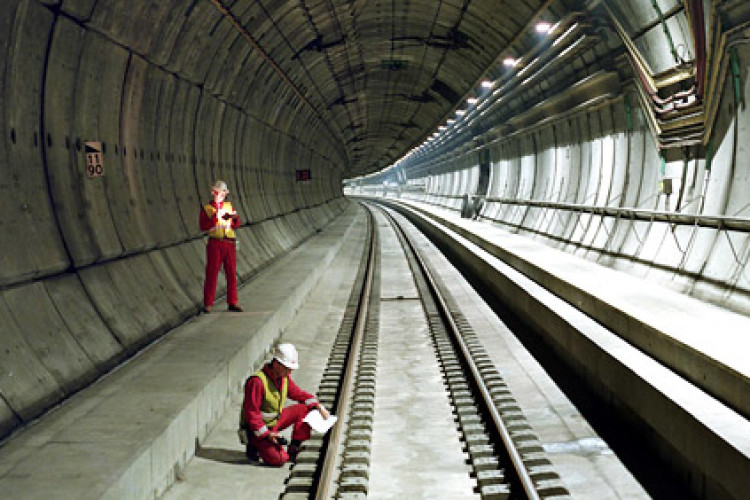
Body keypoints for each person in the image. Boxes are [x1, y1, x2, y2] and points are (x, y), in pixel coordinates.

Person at [239, 343, 330, 466]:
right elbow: (252, 415)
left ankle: (294, 448)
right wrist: (267, 435)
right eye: (287, 368)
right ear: (276, 364)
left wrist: (318, 406)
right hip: (259, 430)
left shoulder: (283, 378)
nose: (290, 372)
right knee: (280, 459)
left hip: (274, 423)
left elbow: (298, 394)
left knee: (305, 409)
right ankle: (254, 445)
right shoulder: (257, 382)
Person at [199, 180, 242, 313]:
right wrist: (215, 217)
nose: (221, 195)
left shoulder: (229, 207)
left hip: (229, 243)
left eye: (223, 192)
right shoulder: (207, 209)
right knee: (212, 272)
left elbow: (236, 224)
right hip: (215, 243)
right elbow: (203, 226)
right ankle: (208, 304)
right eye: (219, 192)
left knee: (231, 273)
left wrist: (234, 218)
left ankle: (232, 302)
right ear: (213, 193)